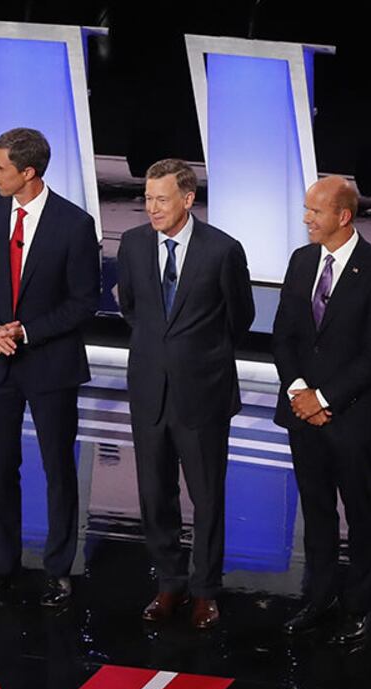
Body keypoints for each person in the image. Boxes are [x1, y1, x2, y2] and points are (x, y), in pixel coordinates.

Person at [0, 127, 101, 607]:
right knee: (0, 467)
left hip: (50, 366)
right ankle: (2, 565)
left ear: (28, 173)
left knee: (58, 469)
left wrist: (25, 331)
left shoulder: (74, 224)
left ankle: (58, 569)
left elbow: (84, 302)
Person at [116, 158, 255, 629]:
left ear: (188, 199)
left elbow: (240, 318)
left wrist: (198, 356)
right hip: (149, 390)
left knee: (207, 497)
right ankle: (170, 584)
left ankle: (205, 590)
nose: (152, 207)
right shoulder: (133, 245)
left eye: (162, 198)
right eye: (148, 198)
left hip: (204, 393)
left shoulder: (222, 250)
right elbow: (131, 309)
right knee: (155, 496)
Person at [273, 176, 371, 643]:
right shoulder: (301, 260)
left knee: (361, 512)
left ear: (343, 217)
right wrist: (298, 392)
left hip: (351, 418)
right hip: (301, 411)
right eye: (307, 209)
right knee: (316, 511)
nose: (307, 218)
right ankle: (320, 597)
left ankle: (359, 605)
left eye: (315, 211)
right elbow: (285, 335)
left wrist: (323, 399)